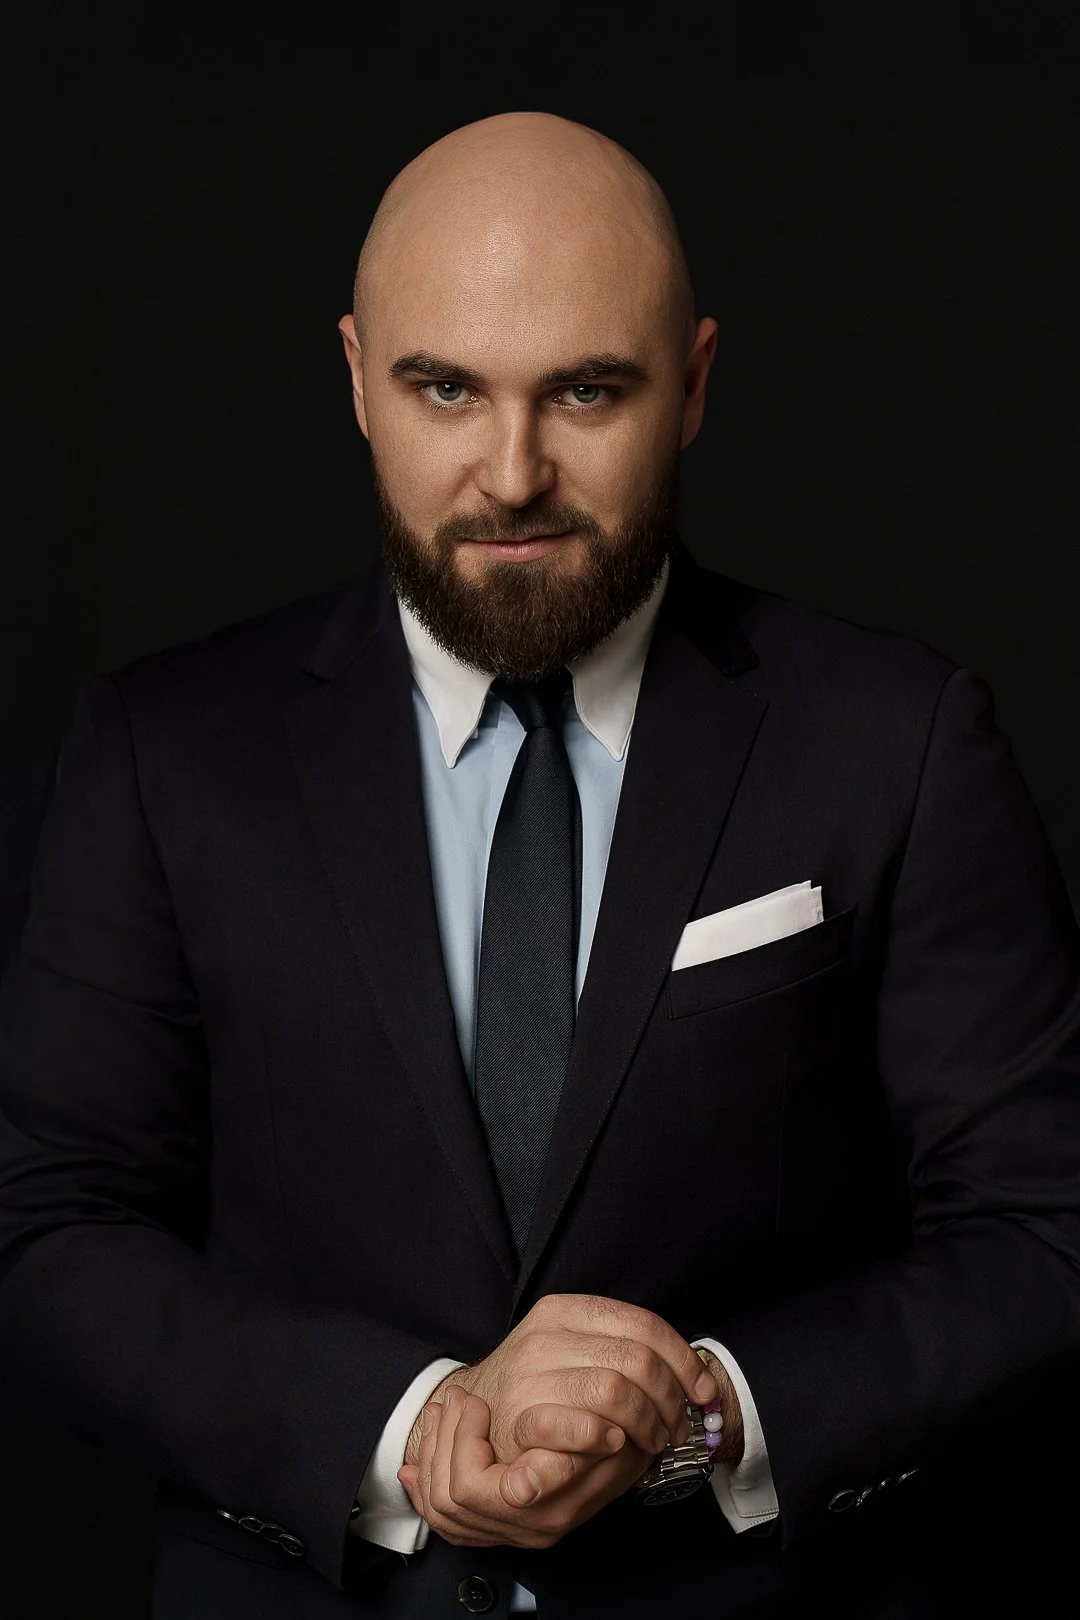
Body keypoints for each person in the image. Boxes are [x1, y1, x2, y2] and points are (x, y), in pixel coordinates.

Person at [1, 110, 1078, 1620]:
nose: (513, 475)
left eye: (586, 391)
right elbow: (49, 1228)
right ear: (360, 379)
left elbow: (1043, 1230)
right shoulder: (160, 753)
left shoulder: (899, 742)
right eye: (447, 387)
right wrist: (405, 1431)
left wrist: (707, 1416)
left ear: (693, 386)